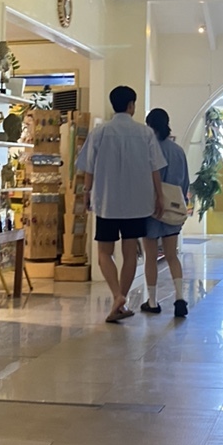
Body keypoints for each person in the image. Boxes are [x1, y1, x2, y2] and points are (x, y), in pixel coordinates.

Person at [76, 85, 165, 323]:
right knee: (130, 253)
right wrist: (159, 196)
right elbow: (155, 168)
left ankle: (117, 297)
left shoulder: (99, 132)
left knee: (104, 253)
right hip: (137, 203)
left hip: (106, 201)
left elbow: (88, 167)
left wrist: (86, 191)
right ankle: (120, 299)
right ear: (131, 105)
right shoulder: (145, 133)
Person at [140, 107, 191, 319]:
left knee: (150, 256)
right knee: (172, 255)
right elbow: (185, 182)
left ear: (149, 125)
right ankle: (179, 297)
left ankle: (152, 301)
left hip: (150, 208)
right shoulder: (178, 151)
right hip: (173, 208)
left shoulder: (147, 149)